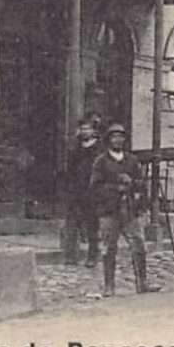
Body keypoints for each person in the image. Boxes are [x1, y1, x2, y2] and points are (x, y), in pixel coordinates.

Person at [88, 123, 163, 297]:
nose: (117, 140)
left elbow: (141, 184)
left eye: (121, 136)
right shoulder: (101, 161)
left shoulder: (132, 160)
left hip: (129, 210)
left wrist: (135, 188)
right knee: (108, 248)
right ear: (108, 140)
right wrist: (115, 188)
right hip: (109, 211)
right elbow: (94, 187)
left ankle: (142, 283)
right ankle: (109, 286)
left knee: (139, 246)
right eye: (114, 137)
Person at [65, 113, 104, 266]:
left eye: (87, 128)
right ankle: (71, 256)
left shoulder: (99, 149)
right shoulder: (76, 148)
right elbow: (71, 169)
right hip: (77, 190)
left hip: (92, 191)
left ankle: (92, 256)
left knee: (92, 224)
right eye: (82, 128)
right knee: (73, 223)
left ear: (93, 131)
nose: (84, 131)